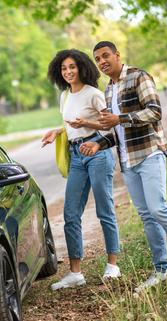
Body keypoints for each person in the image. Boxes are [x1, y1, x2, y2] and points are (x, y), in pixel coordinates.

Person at [82, 41, 167, 290]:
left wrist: (121, 118)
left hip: (149, 154)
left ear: (117, 55)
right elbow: (116, 130)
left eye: (106, 56)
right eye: (98, 59)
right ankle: (162, 270)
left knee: (159, 209)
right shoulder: (108, 90)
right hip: (127, 162)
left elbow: (155, 111)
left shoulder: (139, 76)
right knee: (147, 216)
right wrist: (98, 144)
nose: (102, 62)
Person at [41, 49, 121, 290]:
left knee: (104, 208)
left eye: (72, 67)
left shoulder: (94, 94)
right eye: (64, 68)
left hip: (98, 152)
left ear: (82, 68)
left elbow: (110, 126)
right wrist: (59, 131)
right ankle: (76, 273)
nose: (68, 72)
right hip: (76, 156)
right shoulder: (64, 96)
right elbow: (72, 125)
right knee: (70, 213)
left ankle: (112, 266)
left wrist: (87, 124)